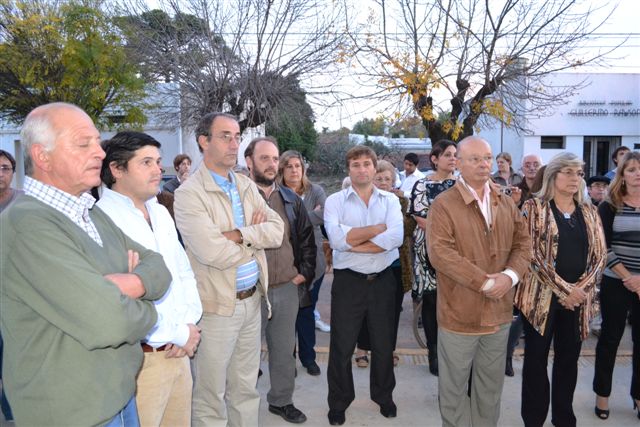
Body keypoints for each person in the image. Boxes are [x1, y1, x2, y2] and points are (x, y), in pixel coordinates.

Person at [0, 102, 171, 426]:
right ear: (42, 156)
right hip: (72, 412)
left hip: (118, 397)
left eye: (97, 141)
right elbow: (109, 321)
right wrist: (150, 310)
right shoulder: (27, 225)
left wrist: (127, 285)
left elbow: (158, 266)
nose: (100, 153)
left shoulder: (89, 212)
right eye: (84, 143)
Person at [173, 112, 284, 426]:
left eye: (237, 136)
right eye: (225, 136)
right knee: (211, 396)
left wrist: (239, 234)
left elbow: (276, 232)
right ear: (203, 141)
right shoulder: (189, 194)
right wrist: (253, 237)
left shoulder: (244, 184)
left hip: (253, 302)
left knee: (246, 389)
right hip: (217, 308)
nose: (234, 144)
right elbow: (212, 252)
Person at [97, 131, 203, 426]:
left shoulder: (160, 212)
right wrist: (175, 333)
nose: (159, 169)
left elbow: (183, 273)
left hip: (181, 349)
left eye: (158, 162)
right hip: (140, 361)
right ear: (117, 169)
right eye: (146, 162)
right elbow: (119, 300)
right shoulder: (101, 221)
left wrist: (189, 327)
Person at [426, 136, 530, 427]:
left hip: (498, 316)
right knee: (454, 390)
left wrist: (509, 277)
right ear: (457, 163)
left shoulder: (505, 202)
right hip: (460, 315)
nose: (484, 164)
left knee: (490, 389)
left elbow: (524, 245)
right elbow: (441, 255)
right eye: (475, 159)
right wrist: (486, 283)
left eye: (487, 158)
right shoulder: (444, 205)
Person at [514, 153, 606, 427]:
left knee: (568, 360)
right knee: (535, 361)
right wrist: (565, 290)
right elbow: (532, 255)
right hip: (541, 299)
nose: (574, 178)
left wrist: (579, 291)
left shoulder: (589, 212)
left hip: (577, 301)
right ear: (553, 176)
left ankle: (564, 418)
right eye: (567, 172)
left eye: (578, 173)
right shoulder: (534, 207)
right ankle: (534, 419)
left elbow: (600, 256)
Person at [324, 145, 403, 425]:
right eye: (355, 164)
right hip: (348, 283)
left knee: (383, 344)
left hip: (383, 282)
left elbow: (395, 239)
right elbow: (335, 241)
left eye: (366, 164)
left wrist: (352, 241)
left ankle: (384, 397)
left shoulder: (390, 201)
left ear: (374, 167)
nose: (361, 169)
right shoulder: (335, 201)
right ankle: (339, 402)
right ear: (349, 169)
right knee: (342, 347)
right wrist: (376, 231)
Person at [244, 138, 316, 424]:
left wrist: (302, 274)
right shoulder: (238, 198)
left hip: (286, 287)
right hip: (251, 289)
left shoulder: (291, 199)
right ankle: (242, 404)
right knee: (245, 354)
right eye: (264, 158)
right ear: (249, 161)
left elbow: (308, 242)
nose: (272, 164)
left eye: (275, 159)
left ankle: (281, 401)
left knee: (284, 351)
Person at [353, 160, 416, 369]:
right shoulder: (363, 200)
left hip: (396, 265)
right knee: (365, 307)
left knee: (392, 310)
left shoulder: (402, 203)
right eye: (378, 178)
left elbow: (407, 228)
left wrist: (383, 226)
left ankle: (389, 349)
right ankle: (362, 347)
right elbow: (360, 229)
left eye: (387, 179)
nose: (382, 182)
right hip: (368, 262)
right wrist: (384, 228)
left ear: (393, 181)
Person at [593, 151, 640, 420]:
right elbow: (604, 248)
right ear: (622, 175)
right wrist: (629, 278)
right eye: (631, 169)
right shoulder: (609, 205)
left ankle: (638, 395)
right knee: (610, 340)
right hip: (616, 282)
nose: (637, 174)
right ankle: (602, 395)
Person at [409, 139, 457, 376]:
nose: (452, 159)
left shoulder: (463, 184)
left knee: (455, 302)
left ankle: (453, 352)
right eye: (447, 154)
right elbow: (420, 217)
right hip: (428, 248)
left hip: (460, 251)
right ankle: (433, 352)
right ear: (435, 159)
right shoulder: (421, 184)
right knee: (431, 302)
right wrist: (450, 234)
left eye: (455, 155)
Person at [278, 150, 328, 376]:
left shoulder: (316, 191)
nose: (294, 170)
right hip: (285, 261)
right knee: (286, 315)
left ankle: (309, 358)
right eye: (289, 166)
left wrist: (296, 217)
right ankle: (288, 359)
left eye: (297, 166)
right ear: (282, 170)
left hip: (312, 262)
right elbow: (278, 223)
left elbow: (324, 215)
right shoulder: (277, 194)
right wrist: (311, 215)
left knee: (307, 310)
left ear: (303, 169)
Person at [0, 149, 22, 422]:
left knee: (13, 358)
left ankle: (13, 413)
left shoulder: (25, 203)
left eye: (5, 168)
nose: (0, 173)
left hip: (15, 296)